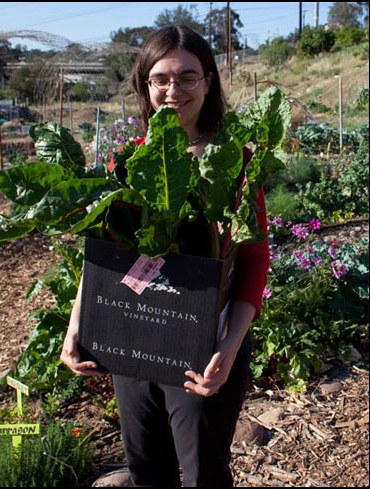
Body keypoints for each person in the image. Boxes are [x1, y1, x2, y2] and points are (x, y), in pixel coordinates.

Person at [61, 25, 269, 487]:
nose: (173, 90)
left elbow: (254, 262)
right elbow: (103, 254)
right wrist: (77, 326)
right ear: (145, 85)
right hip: (134, 337)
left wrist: (229, 349)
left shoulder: (235, 159)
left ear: (209, 81)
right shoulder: (128, 161)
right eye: (161, 78)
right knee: (146, 470)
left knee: (204, 474)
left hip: (204, 348)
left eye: (188, 77)